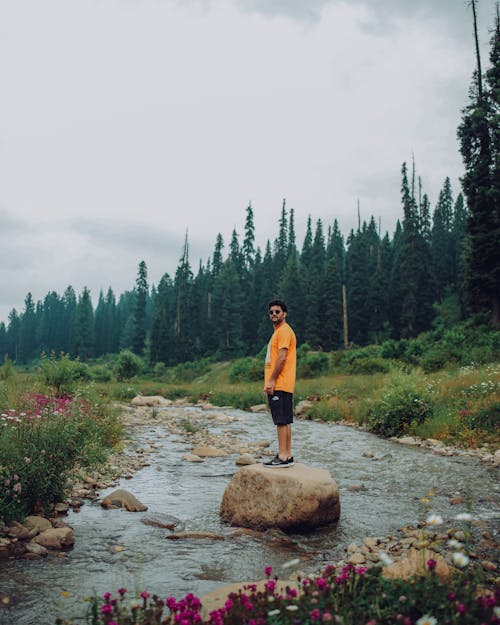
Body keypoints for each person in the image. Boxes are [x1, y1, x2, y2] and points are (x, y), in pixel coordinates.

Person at [263, 299, 297, 467]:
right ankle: (287, 454)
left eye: (277, 311)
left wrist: (271, 380)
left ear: (284, 313)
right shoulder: (279, 332)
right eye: (271, 312)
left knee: (281, 421)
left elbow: (282, 357)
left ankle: (283, 456)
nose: (274, 314)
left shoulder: (283, 331)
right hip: (284, 384)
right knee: (285, 420)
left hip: (280, 383)